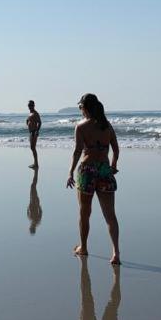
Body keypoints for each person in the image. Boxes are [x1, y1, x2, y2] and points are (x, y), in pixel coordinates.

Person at [66, 93, 120, 264]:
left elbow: (77, 152)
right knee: (110, 215)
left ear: (85, 108)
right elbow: (116, 149)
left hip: (87, 171)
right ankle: (116, 253)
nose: (80, 110)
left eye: (80, 107)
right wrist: (113, 165)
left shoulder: (81, 127)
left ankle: (83, 247)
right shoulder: (107, 126)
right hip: (104, 170)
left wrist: (70, 172)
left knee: (84, 213)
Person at [26, 100, 41, 169]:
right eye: (29, 105)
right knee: (32, 148)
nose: (30, 107)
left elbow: (39, 122)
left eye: (31, 105)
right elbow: (28, 120)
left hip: (34, 132)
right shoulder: (30, 113)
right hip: (30, 132)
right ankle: (35, 163)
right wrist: (28, 122)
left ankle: (36, 164)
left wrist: (37, 131)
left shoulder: (35, 113)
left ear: (33, 105)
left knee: (33, 148)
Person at [27, 167, 42, 234]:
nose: (30, 226)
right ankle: (36, 173)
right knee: (33, 186)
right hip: (35, 202)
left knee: (32, 186)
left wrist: (28, 206)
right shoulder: (37, 221)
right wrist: (38, 204)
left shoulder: (33, 220)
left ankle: (36, 173)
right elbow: (40, 212)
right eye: (31, 227)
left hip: (32, 202)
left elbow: (28, 212)